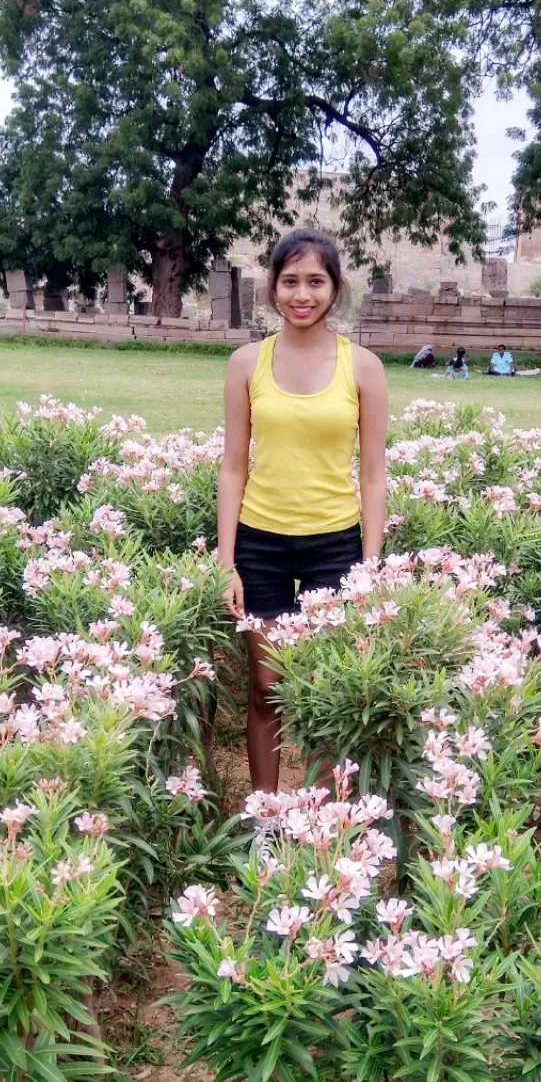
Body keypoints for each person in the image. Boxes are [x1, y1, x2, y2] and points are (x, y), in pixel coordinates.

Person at [217, 228, 389, 793]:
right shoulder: (247, 362)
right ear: (272, 288)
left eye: (315, 281)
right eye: (290, 281)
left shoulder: (363, 368)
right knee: (265, 686)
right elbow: (233, 467)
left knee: (320, 689)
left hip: (334, 546)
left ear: (335, 289)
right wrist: (227, 561)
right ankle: (266, 813)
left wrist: (369, 566)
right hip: (260, 543)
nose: (302, 294)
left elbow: (372, 473)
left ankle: (322, 813)